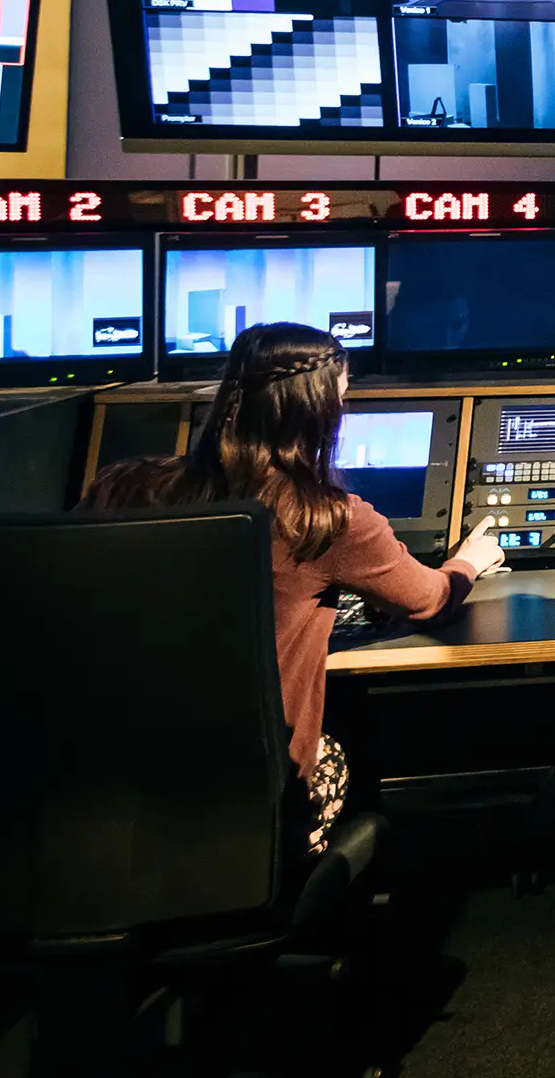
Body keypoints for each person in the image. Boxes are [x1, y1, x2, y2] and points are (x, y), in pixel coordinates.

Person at [82, 322, 508, 858]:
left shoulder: (124, 486)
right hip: (254, 794)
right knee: (349, 735)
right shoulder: (326, 519)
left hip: (103, 786)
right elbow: (429, 601)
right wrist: (468, 561)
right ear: (322, 411)